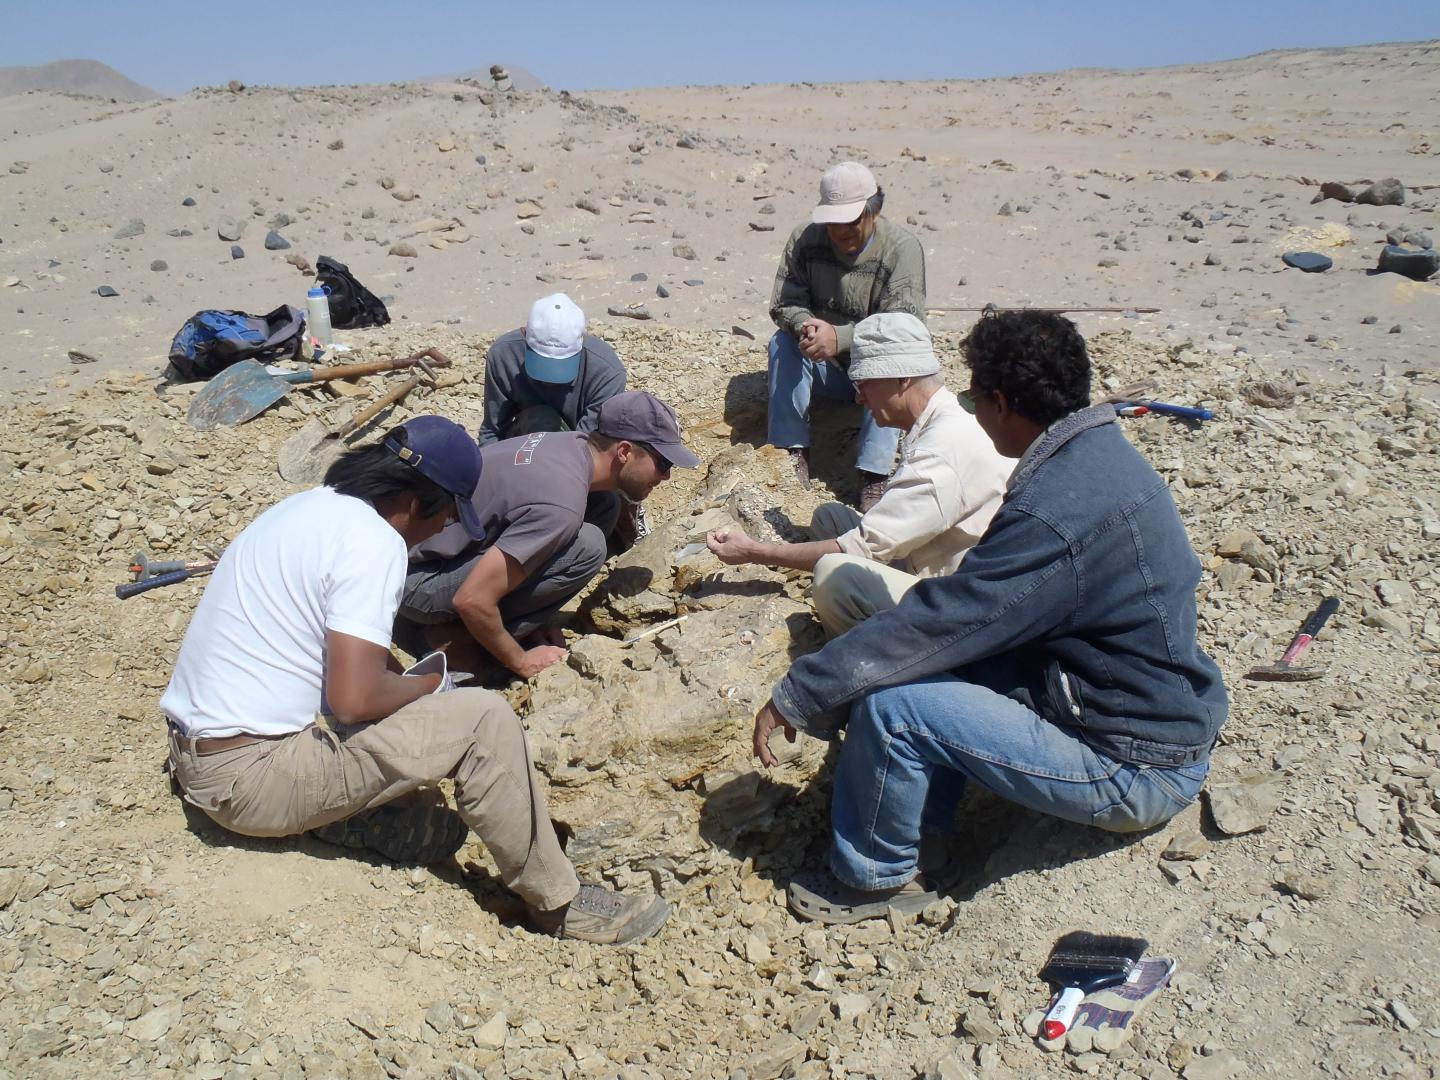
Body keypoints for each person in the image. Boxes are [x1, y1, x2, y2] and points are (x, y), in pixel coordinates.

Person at [750, 311, 1229, 925]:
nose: (972, 411)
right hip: (1140, 715)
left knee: (895, 710)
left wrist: (803, 691)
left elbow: (944, 619)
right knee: (943, 669)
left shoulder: (1055, 511)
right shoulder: (1099, 457)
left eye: (977, 397)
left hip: (1131, 764)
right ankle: (927, 830)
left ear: (1003, 402)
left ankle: (876, 878)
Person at [161, 416, 669, 943]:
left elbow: (348, 662)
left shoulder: (308, 508)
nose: (444, 529)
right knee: (481, 719)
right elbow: (354, 700)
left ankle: (353, 818)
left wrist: (404, 685)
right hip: (248, 780)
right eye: (449, 514)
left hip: (198, 753)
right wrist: (432, 686)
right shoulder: (373, 543)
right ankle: (561, 904)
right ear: (412, 502)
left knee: (405, 702)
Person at [706, 312, 1012, 635]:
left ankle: (868, 663)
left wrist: (756, 552)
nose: (859, 396)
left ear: (903, 379)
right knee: (829, 519)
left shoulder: (942, 450)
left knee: (833, 577)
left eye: (865, 383)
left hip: (957, 601)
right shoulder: (942, 416)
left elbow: (860, 547)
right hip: (927, 559)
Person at [400, 392, 698, 679]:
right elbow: (471, 599)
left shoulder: (571, 444)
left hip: (429, 549)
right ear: (624, 452)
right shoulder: (561, 504)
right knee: (589, 546)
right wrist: (521, 662)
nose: (666, 477)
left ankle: (507, 623)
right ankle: (452, 641)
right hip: (413, 580)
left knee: (604, 506)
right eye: (663, 464)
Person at [768, 160, 928, 512]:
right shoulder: (804, 239)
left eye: (851, 221)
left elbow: (903, 326)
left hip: (873, 371)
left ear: (876, 210)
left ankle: (874, 475)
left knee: (891, 357)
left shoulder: (902, 249)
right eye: (833, 222)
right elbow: (784, 304)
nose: (841, 231)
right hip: (824, 368)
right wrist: (806, 326)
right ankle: (791, 453)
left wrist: (840, 338)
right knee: (782, 343)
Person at [478, 292, 626, 446]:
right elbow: (492, 431)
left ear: (583, 339)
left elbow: (591, 446)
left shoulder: (607, 372)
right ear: (524, 333)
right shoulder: (504, 356)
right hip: (526, 440)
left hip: (579, 450)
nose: (549, 382)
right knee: (542, 419)